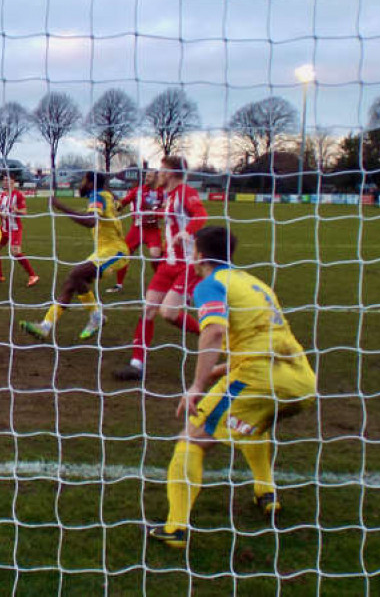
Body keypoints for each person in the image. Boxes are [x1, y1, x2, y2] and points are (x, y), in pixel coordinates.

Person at [148, 226, 317, 548]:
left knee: (191, 439)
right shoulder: (254, 283)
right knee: (255, 424)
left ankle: (175, 529)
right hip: (301, 381)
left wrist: (197, 384)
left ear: (198, 254)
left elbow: (213, 333)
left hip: (258, 378)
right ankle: (265, 492)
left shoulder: (211, 284)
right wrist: (219, 370)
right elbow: (265, 340)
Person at [114, 157, 206, 381]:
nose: (158, 174)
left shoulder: (185, 192)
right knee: (149, 310)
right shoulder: (170, 196)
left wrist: (188, 231)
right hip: (168, 263)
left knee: (169, 313)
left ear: (172, 173)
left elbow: (201, 215)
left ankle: (210, 335)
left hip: (187, 265)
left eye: (162, 170)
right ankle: (137, 364)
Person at [19, 171, 127, 341]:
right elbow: (115, 206)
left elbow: (91, 220)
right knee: (71, 283)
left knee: (76, 274)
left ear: (91, 183)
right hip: (103, 251)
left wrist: (61, 207)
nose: (80, 184)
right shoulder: (102, 195)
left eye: (84, 181)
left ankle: (96, 317)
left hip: (115, 251)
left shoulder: (97, 196)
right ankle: (45, 326)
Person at [106, 169, 164, 293]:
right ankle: (119, 284)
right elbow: (124, 201)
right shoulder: (138, 191)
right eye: (146, 176)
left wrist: (157, 212)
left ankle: (161, 283)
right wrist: (117, 206)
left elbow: (167, 209)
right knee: (125, 255)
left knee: (155, 255)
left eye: (149, 176)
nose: (146, 178)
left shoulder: (163, 192)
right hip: (137, 229)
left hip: (153, 230)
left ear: (157, 178)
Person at [0, 174, 39, 287]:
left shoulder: (18, 195)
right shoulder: (1, 195)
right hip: (3, 229)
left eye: (7, 180)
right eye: (3, 180)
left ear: (13, 181)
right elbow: (0, 211)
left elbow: (24, 212)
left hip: (15, 229)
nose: (4, 182)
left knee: (16, 252)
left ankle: (33, 275)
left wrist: (16, 210)